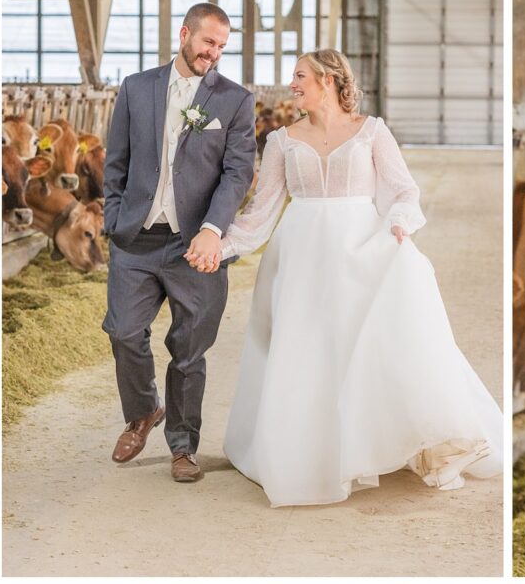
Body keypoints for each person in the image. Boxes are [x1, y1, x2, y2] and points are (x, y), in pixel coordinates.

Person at [204, 48, 503, 507]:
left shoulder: (372, 132)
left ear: (327, 80)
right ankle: (312, 454)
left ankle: (385, 443)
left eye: (300, 75)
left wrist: (401, 219)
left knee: (368, 347)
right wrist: (219, 247)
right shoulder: (282, 141)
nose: (293, 84)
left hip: (363, 250)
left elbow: (404, 189)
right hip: (301, 255)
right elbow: (261, 212)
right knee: (307, 352)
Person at [102, 2, 257, 482]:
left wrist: (214, 230)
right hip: (135, 239)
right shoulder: (137, 87)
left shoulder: (234, 99)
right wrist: (113, 218)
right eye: (209, 42)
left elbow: (237, 173)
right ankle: (144, 411)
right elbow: (116, 163)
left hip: (197, 246)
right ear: (186, 34)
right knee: (123, 331)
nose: (214, 53)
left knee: (188, 351)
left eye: (222, 47)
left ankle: (183, 447)